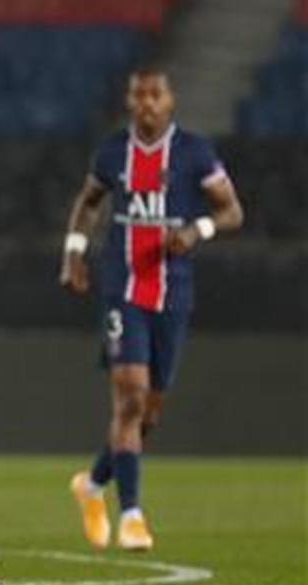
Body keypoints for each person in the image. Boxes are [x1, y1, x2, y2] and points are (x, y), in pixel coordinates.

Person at [61, 67, 243, 551]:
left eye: (154, 94)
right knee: (131, 397)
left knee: (148, 414)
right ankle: (133, 517)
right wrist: (74, 251)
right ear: (129, 100)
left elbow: (232, 211)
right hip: (123, 290)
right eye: (138, 94)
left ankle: (93, 484)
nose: (145, 103)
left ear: (170, 100)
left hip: (173, 293)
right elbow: (89, 202)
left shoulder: (194, 153)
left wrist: (196, 231)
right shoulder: (112, 151)